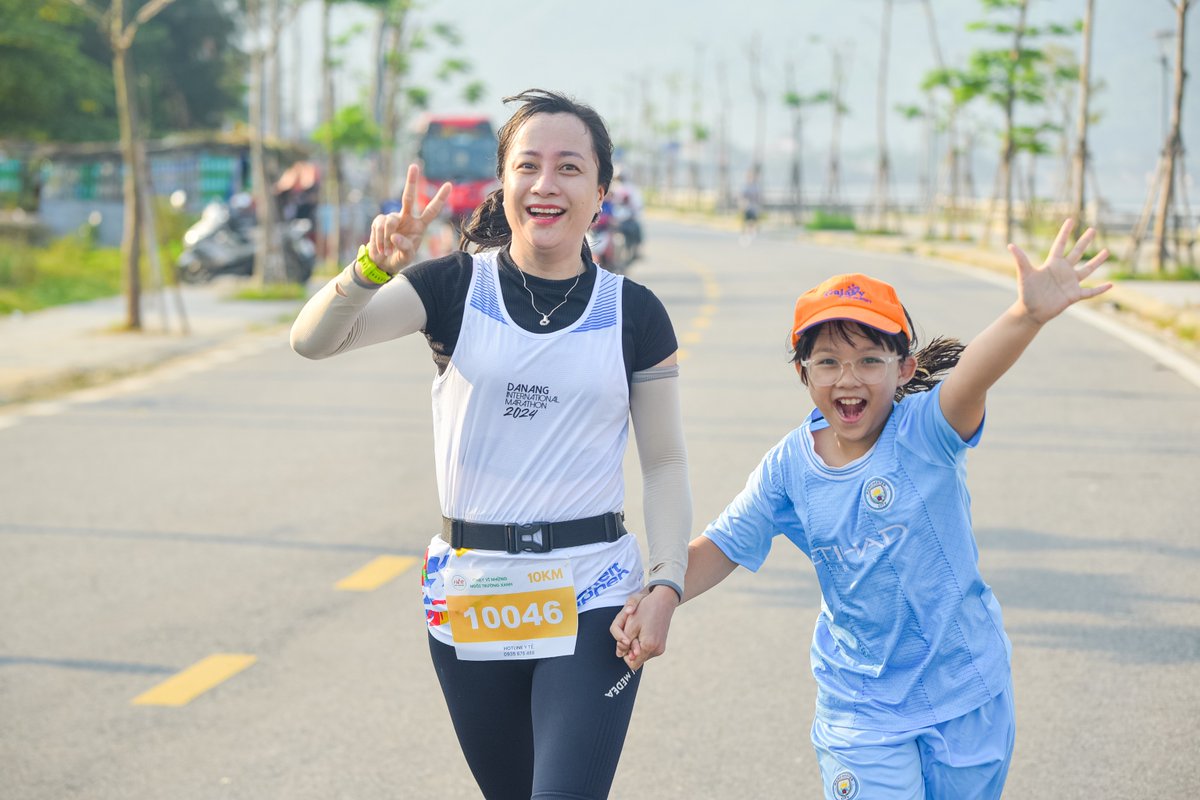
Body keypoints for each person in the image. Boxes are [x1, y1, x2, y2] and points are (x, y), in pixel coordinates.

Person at [612, 220, 1111, 799]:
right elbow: (724, 544)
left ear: (904, 369)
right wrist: (662, 593)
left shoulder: (929, 430)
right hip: (861, 706)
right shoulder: (789, 468)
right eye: (827, 362)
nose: (848, 378)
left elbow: (974, 376)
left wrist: (1027, 315)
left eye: (870, 359)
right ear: (803, 374)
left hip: (965, 689)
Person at [290, 89, 691, 800]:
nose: (546, 184)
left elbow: (663, 465)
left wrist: (664, 584)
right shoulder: (450, 288)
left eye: (570, 167)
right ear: (503, 183)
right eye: (528, 165)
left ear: (601, 189)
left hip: (593, 594)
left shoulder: (634, 312)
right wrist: (370, 269)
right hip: (472, 597)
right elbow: (314, 341)